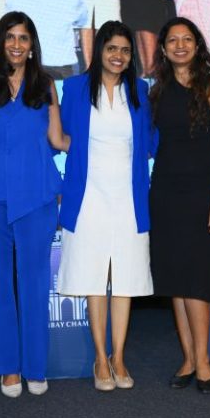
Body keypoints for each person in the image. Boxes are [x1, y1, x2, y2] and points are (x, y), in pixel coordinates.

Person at [0, 11, 67, 398]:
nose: (17, 44)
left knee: (35, 280)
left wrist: (104, 148)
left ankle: (34, 366)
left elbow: (58, 139)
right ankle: (8, 366)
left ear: (32, 44)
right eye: (10, 37)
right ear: (0, 43)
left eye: (23, 37)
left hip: (38, 194)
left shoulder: (46, 85)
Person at [57, 21, 154, 391]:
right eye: (112, 48)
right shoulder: (75, 87)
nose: (118, 56)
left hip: (129, 196)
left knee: (125, 278)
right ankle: (100, 358)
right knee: (93, 277)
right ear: (99, 50)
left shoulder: (140, 90)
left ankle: (119, 357)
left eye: (125, 50)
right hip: (88, 195)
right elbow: (61, 136)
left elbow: (151, 140)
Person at [148, 17, 210, 393]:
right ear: (163, 49)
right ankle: (188, 358)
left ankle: (203, 361)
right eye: (172, 40)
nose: (180, 45)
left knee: (197, 281)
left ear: (197, 46)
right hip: (165, 194)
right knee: (176, 281)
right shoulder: (158, 90)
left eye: (187, 39)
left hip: (203, 195)